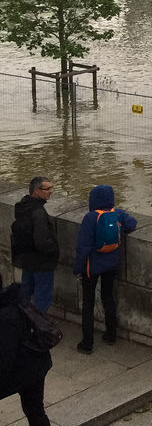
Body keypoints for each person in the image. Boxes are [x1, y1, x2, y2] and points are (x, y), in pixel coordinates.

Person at [71, 184, 137, 354]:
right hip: (111, 264)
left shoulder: (90, 218)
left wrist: (77, 268)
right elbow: (132, 224)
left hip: (91, 268)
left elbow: (83, 247)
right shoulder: (118, 214)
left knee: (88, 303)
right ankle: (111, 335)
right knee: (108, 297)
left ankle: (87, 343)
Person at [0, 281, 53, 426]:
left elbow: (6, 358)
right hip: (33, 361)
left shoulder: (5, 316)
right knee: (35, 410)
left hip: (30, 367)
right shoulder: (13, 299)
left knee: (34, 410)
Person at [11, 176, 59, 313]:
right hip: (42, 262)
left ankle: (23, 322)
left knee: (26, 292)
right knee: (42, 298)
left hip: (27, 259)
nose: (51, 191)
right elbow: (42, 241)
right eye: (47, 188)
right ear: (37, 191)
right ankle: (38, 328)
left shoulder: (23, 207)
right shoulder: (38, 213)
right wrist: (54, 252)